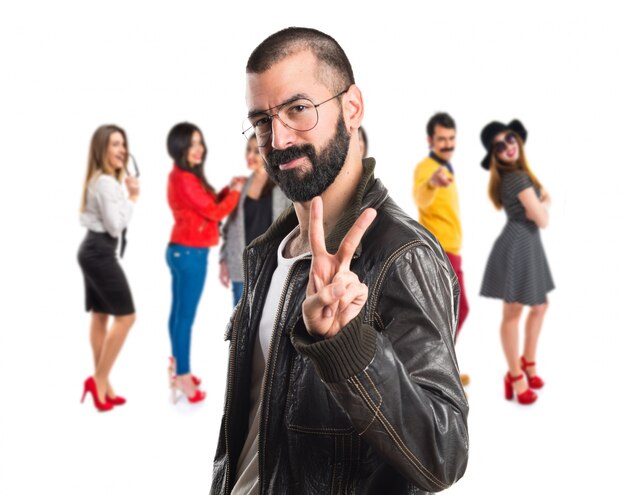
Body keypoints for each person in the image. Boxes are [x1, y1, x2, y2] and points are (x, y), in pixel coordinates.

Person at [211, 27, 468, 495]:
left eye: (297, 109)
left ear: (351, 108)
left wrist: (349, 348)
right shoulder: (269, 251)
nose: (279, 138)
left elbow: (443, 455)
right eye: (262, 121)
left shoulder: (402, 255)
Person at [165, 122, 243, 404]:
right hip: (190, 254)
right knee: (184, 318)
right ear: (179, 147)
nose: (198, 149)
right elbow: (214, 211)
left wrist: (227, 189)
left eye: (200, 142)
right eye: (191, 144)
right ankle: (183, 376)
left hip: (181, 251)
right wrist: (235, 192)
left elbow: (206, 203)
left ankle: (177, 365)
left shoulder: (185, 176)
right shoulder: (184, 178)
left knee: (178, 315)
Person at [479, 119, 554, 405]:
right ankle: (515, 375)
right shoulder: (518, 179)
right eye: (499, 145)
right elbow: (543, 220)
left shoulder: (520, 176)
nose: (508, 146)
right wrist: (544, 201)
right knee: (513, 314)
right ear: (495, 155)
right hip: (518, 245)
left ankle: (528, 363)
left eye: (510, 139)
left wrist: (539, 198)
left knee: (539, 305)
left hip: (527, 244)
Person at [78, 124, 139, 412]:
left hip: (92, 249)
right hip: (99, 251)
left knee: (101, 315)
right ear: (102, 148)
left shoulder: (101, 180)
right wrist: (133, 198)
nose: (122, 150)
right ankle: (98, 380)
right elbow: (115, 227)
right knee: (126, 317)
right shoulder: (106, 183)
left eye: (123, 144)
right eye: (115, 144)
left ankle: (104, 384)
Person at [413, 112, 470, 386]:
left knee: (451, 313)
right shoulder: (428, 169)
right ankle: (440, 376)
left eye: (451, 139)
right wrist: (432, 183)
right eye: (441, 139)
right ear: (430, 140)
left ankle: (446, 371)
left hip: (452, 250)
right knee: (453, 312)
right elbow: (421, 197)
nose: (447, 144)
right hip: (440, 251)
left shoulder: (447, 166)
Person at [219, 135, 291, 307]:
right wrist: (223, 260)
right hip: (242, 269)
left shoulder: (284, 184)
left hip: (272, 269)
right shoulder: (241, 186)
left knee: (269, 327)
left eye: (256, 151)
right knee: (239, 329)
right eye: (248, 150)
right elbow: (229, 226)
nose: (250, 155)